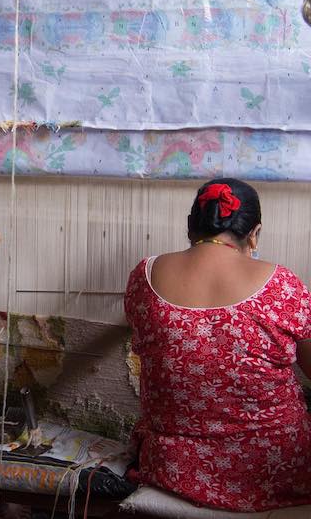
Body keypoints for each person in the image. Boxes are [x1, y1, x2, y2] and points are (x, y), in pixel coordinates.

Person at [125, 178, 311, 512]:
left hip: (173, 468)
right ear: (254, 233)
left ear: (190, 227)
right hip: (276, 473)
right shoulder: (282, 285)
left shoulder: (144, 277)